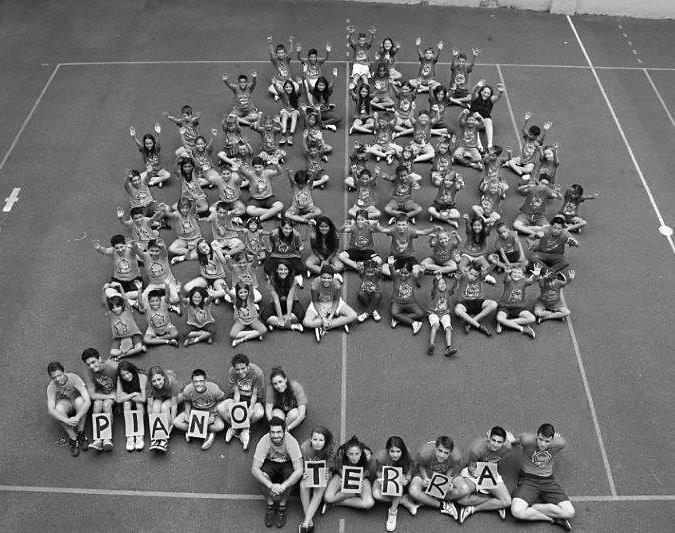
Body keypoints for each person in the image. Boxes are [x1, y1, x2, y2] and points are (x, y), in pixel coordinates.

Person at [510, 424, 575, 531]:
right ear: (536, 436)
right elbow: (518, 441)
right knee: (516, 511)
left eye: (547, 441)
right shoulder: (526, 439)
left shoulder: (559, 443)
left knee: (569, 512)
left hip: (547, 480)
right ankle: (552, 519)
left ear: (553, 439)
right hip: (528, 480)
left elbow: (559, 441)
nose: (543, 444)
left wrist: (556, 439)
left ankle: (533, 507)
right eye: (540, 439)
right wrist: (512, 441)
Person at [252, 417, 304, 528]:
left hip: (286, 464)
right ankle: (270, 504)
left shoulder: (291, 442)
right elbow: (254, 469)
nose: (275, 435)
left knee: (292, 476)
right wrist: (270, 486)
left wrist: (283, 486)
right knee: (262, 476)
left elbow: (299, 470)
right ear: (269, 432)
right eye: (273, 432)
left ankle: (282, 505)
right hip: (270, 463)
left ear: (284, 431)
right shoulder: (264, 440)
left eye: (279, 432)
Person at [456, 426, 514, 523]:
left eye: (499, 442)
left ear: (504, 442)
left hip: (490, 472)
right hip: (476, 470)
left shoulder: (508, 447)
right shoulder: (476, 449)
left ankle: (473, 509)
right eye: (493, 440)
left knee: (507, 502)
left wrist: (515, 442)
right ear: (489, 438)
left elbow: (521, 451)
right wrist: (473, 472)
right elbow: (471, 466)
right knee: (461, 500)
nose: (495, 444)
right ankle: (495, 503)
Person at [408, 436, 471, 519]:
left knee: (465, 489)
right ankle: (443, 505)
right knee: (413, 490)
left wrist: (447, 480)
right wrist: (425, 478)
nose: (441, 455)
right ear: (435, 448)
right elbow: (420, 465)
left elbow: (452, 467)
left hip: (444, 474)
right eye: (440, 451)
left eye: (446, 453)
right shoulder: (424, 453)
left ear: (451, 452)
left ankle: (426, 499)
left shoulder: (456, 457)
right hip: (427, 473)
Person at [173, 368, 226, 451]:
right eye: (195, 382)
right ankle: (205, 432)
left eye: (201, 381)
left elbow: (220, 400)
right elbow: (187, 401)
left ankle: (194, 429)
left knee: (220, 426)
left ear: (205, 381)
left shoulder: (214, 389)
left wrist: (213, 414)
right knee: (176, 422)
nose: (198, 384)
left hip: (211, 410)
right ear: (192, 382)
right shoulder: (188, 389)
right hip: (195, 410)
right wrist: (187, 414)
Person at [220, 353, 265, 450]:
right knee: (221, 408)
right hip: (239, 395)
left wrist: (251, 409)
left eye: (243, 368)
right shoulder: (231, 372)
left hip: (252, 397)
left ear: (248, 366)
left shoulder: (258, 373)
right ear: (233, 368)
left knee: (259, 413)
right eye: (237, 369)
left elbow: (255, 394)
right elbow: (236, 392)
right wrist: (235, 409)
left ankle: (245, 430)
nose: (240, 372)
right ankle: (234, 426)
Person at [372, 436, 417, 531]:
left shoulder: (407, 453)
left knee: (397, 487)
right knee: (376, 494)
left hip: (401, 479)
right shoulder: (380, 457)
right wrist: (382, 479)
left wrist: (407, 479)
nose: (395, 455)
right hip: (387, 478)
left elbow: (409, 469)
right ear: (388, 450)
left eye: (398, 451)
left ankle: (392, 512)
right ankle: (404, 501)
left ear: (402, 451)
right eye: (392, 451)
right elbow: (378, 471)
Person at [303, 264, 358, 343]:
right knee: (306, 322)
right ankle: (340, 322)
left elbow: (336, 300)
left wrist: (331, 316)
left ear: (333, 277)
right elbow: (315, 301)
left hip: (333, 303)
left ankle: (323, 327)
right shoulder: (314, 285)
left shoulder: (337, 285)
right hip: (319, 303)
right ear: (320, 276)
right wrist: (322, 317)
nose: (326, 280)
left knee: (354, 315)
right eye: (324, 278)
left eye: (329, 278)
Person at [46, 361, 91, 457]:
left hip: (76, 402)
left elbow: (88, 401)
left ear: (64, 371)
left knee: (81, 401)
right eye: (54, 378)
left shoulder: (74, 378)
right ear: (50, 378)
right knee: (57, 409)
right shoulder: (51, 387)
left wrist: (76, 418)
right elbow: (51, 409)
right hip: (66, 404)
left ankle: (81, 432)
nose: (58, 379)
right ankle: (73, 437)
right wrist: (67, 420)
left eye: (59, 375)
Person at [323, 435, 375, 512]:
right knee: (328, 498)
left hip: (361, 477)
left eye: (357, 454)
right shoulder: (341, 454)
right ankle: (354, 494)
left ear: (361, 452)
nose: (354, 457)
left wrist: (357, 481)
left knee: (369, 503)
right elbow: (339, 468)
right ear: (346, 453)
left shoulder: (367, 456)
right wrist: (346, 479)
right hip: (342, 475)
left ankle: (336, 503)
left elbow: (367, 471)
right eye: (351, 454)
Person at [299, 426, 335, 532]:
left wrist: (327, 474)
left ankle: (305, 523)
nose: (317, 443)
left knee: (319, 488)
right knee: (303, 485)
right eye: (315, 439)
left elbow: (328, 468)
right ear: (311, 439)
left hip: (324, 471)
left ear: (326, 441)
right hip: (309, 471)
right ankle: (308, 520)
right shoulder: (304, 448)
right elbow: (303, 465)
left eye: (321, 440)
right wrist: (304, 474)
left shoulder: (330, 448)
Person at [81, 347, 117, 452]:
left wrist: (116, 398)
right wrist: (108, 396)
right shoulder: (88, 372)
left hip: (114, 391)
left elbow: (124, 380)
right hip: (102, 393)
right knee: (97, 405)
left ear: (100, 358)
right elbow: (92, 394)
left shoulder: (113, 366)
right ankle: (97, 439)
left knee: (106, 405)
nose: (91, 367)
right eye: (88, 364)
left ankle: (107, 439)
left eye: (93, 362)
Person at [92, 234, 143, 307]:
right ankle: (133, 303)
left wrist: (135, 247)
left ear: (125, 245)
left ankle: (120, 296)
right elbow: (105, 250)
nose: (120, 250)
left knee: (140, 293)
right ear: (113, 248)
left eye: (121, 247)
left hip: (134, 278)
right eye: (117, 248)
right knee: (108, 291)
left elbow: (139, 253)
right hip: (119, 280)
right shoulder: (113, 251)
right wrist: (98, 248)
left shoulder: (130, 250)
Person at [101, 282, 145, 360]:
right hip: (119, 337)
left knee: (138, 348)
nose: (115, 309)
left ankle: (122, 356)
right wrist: (104, 290)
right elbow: (105, 303)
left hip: (133, 334)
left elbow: (124, 299)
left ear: (122, 306)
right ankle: (130, 351)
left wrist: (120, 287)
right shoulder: (111, 314)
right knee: (112, 352)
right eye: (113, 307)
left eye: (118, 306)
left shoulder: (127, 310)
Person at [453, 261, 497, 337]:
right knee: (457, 310)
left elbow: (488, 271)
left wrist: (494, 263)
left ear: (479, 275)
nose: (472, 277)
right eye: (471, 274)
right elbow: (460, 268)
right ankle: (479, 326)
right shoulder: (464, 276)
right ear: (468, 272)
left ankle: (470, 322)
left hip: (478, 301)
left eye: (475, 276)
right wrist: (458, 261)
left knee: (494, 304)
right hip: (465, 302)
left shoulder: (480, 278)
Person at [495, 265, 539, 338]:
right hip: (504, 307)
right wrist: (506, 273)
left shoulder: (524, 281)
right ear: (510, 274)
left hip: (518, 307)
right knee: (499, 318)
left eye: (519, 273)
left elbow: (532, 280)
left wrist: (536, 275)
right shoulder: (508, 281)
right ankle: (522, 328)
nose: (516, 274)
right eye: (514, 272)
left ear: (523, 276)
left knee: (532, 318)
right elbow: (506, 278)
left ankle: (504, 323)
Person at [261, 259, 305, 332]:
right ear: (276, 270)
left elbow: (290, 299)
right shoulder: (271, 281)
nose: (283, 272)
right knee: (264, 316)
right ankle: (291, 326)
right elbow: (276, 301)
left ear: (289, 270)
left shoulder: (293, 279)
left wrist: (288, 315)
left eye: (285, 269)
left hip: (291, 301)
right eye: (280, 269)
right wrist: (280, 318)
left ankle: (275, 324)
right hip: (277, 303)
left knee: (301, 315)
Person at [181, 238, 229, 303]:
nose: (203, 250)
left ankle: (206, 296)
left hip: (218, 278)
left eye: (205, 247)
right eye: (201, 249)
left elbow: (223, 262)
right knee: (187, 288)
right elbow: (187, 257)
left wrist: (217, 250)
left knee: (224, 291)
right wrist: (189, 250)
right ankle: (213, 296)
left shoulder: (215, 252)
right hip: (205, 278)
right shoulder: (200, 255)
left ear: (209, 245)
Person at [388, 256, 425, 335]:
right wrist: (391, 265)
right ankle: (414, 323)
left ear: (410, 273)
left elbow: (420, 277)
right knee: (393, 313)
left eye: (406, 273)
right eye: (401, 272)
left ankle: (399, 319)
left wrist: (421, 271)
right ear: (399, 271)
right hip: (397, 302)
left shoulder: (413, 278)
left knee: (420, 314)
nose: (403, 275)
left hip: (411, 303)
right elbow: (392, 272)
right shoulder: (396, 277)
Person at [146, 366, 180, 452]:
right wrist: (152, 422)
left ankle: (164, 438)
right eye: (154, 381)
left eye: (159, 379)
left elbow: (174, 404)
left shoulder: (172, 382)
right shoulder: (149, 386)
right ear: (150, 381)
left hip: (175, 397)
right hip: (160, 396)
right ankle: (155, 437)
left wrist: (172, 420)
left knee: (164, 407)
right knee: (156, 406)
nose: (157, 383)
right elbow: (150, 405)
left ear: (163, 377)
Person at [116, 360, 147, 452]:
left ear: (132, 371)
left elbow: (143, 399)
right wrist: (133, 394)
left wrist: (126, 395)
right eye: (123, 375)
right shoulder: (119, 379)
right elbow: (118, 399)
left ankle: (139, 434)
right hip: (132, 397)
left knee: (139, 403)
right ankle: (130, 435)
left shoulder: (142, 377)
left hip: (139, 401)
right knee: (126, 404)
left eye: (128, 373)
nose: (126, 377)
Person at [241, 156, 284, 221]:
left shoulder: (267, 172)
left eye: (259, 167)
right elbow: (243, 172)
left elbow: (279, 172)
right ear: (252, 167)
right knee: (249, 210)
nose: (257, 169)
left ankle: (259, 219)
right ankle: (274, 212)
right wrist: (239, 168)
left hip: (268, 197)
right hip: (255, 199)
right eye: (255, 167)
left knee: (280, 205)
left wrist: (276, 165)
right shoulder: (250, 174)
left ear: (263, 166)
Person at [263, 217, 305, 284]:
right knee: (267, 268)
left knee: (300, 269)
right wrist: (270, 249)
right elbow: (271, 244)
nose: (288, 231)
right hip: (277, 255)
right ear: (281, 226)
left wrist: (300, 249)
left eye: (290, 229)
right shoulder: (274, 233)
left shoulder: (296, 234)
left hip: (291, 255)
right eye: (286, 228)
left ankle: (278, 273)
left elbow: (300, 247)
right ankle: (287, 273)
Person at [265, 367, 307, 432]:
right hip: (279, 410)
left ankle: (283, 430)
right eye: (275, 384)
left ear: (285, 379)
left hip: (293, 409)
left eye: (280, 382)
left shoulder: (296, 387)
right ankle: (279, 430)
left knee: (294, 414)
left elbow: (302, 415)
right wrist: (273, 427)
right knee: (276, 416)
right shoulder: (270, 389)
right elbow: (268, 412)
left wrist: (288, 428)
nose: (278, 386)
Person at [427, 272, 457, 357]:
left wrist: (456, 278)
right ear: (436, 285)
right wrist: (437, 279)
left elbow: (453, 286)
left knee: (448, 328)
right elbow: (434, 287)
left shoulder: (447, 292)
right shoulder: (434, 292)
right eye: (439, 284)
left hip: (444, 313)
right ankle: (431, 344)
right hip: (433, 313)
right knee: (435, 325)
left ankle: (449, 347)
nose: (442, 285)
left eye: (444, 283)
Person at [468, 79, 504, 149]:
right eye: (484, 92)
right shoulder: (476, 97)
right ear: (481, 92)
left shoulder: (491, 100)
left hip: (483, 122)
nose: (486, 94)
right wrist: (477, 86)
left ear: (490, 94)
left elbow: (497, 97)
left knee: (489, 121)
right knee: (474, 121)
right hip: (474, 121)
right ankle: (479, 145)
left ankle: (490, 145)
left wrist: (500, 91)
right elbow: (474, 92)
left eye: (488, 93)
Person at [230, 282, 267, 347]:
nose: (243, 294)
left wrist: (251, 285)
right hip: (241, 321)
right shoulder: (236, 300)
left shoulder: (250, 298)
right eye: (240, 293)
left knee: (264, 330)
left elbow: (251, 291)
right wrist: (225, 290)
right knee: (232, 335)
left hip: (253, 320)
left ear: (248, 291)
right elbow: (231, 295)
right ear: (237, 293)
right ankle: (255, 334)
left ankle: (242, 340)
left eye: (245, 292)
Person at [346, 23, 376, 90]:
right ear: (358, 40)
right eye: (361, 40)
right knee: (356, 76)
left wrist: (372, 34)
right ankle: (353, 86)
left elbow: (371, 41)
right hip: (357, 64)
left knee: (365, 77)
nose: (362, 42)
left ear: (365, 40)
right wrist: (350, 34)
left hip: (365, 64)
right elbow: (350, 41)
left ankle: (367, 88)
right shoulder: (355, 45)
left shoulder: (367, 45)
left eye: (364, 40)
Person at [266, 35, 297, 99]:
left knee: (297, 87)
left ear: (285, 53)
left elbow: (290, 52)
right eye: (279, 53)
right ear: (276, 54)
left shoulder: (286, 59)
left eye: (282, 53)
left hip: (288, 81)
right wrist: (270, 44)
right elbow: (271, 53)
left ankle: (279, 94)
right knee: (270, 89)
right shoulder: (275, 60)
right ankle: (286, 93)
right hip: (279, 82)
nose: (281, 54)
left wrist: (290, 43)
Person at [355, 258, 384, 323]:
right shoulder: (363, 274)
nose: (369, 274)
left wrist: (380, 270)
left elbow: (380, 273)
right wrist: (359, 268)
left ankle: (367, 313)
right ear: (365, 270)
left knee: (378, 295)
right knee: (360, 294)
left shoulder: (377, 274)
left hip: (374, 293)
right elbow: (360, 273)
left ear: (375, 271)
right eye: (368, 272)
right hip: (365, 292)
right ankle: (373, 310)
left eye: (372, 272)